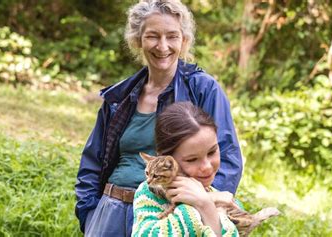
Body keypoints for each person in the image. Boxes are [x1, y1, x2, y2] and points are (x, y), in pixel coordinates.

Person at [75, 0, 243, 236]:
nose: (162, 46)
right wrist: (90, 214)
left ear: (184, 40)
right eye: (153, 36)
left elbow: (226, 156)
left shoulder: (203, 89)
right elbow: (92, 162)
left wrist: (210, 209)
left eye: (172, 36)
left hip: (168, 215)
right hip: (110, 213)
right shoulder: (120, 96)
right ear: (138, 39)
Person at [132, 102, 239, 237]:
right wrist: (201, 203)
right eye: (191, 159)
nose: (206, 167)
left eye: (212, 152)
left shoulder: (225, 199)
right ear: (166, 159)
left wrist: (205, 205)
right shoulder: (149, 194)